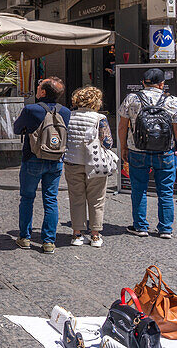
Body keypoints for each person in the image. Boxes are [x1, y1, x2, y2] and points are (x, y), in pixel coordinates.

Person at [117, 68, 177, 239]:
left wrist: (123, 147)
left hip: (137, 150)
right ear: (162, 84)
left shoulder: (132, 99)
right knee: (165, 191)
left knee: (138, 189)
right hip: (165, 152)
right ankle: (165, 229)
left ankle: (140, 226)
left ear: (143, 82)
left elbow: (122, 126)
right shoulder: (172, 101)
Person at [12, 77, 71, 253]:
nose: (37, 88)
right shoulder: (66, 112)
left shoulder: (31, 109)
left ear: (43, 92)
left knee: (27, 198)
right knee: (51, 199)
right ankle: (48, 241)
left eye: (39, 86)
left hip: (33, 158)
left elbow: (17, 128)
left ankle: (25, 237)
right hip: (56, 160)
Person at [63, 86, 113, 248]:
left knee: (76, 198)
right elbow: (108, 142)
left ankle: (77, 234)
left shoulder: (69, 116)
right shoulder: (99, 118)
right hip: (95, 163)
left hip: (72, 161)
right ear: (96, 102)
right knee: (97, 200)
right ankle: (95, 236)